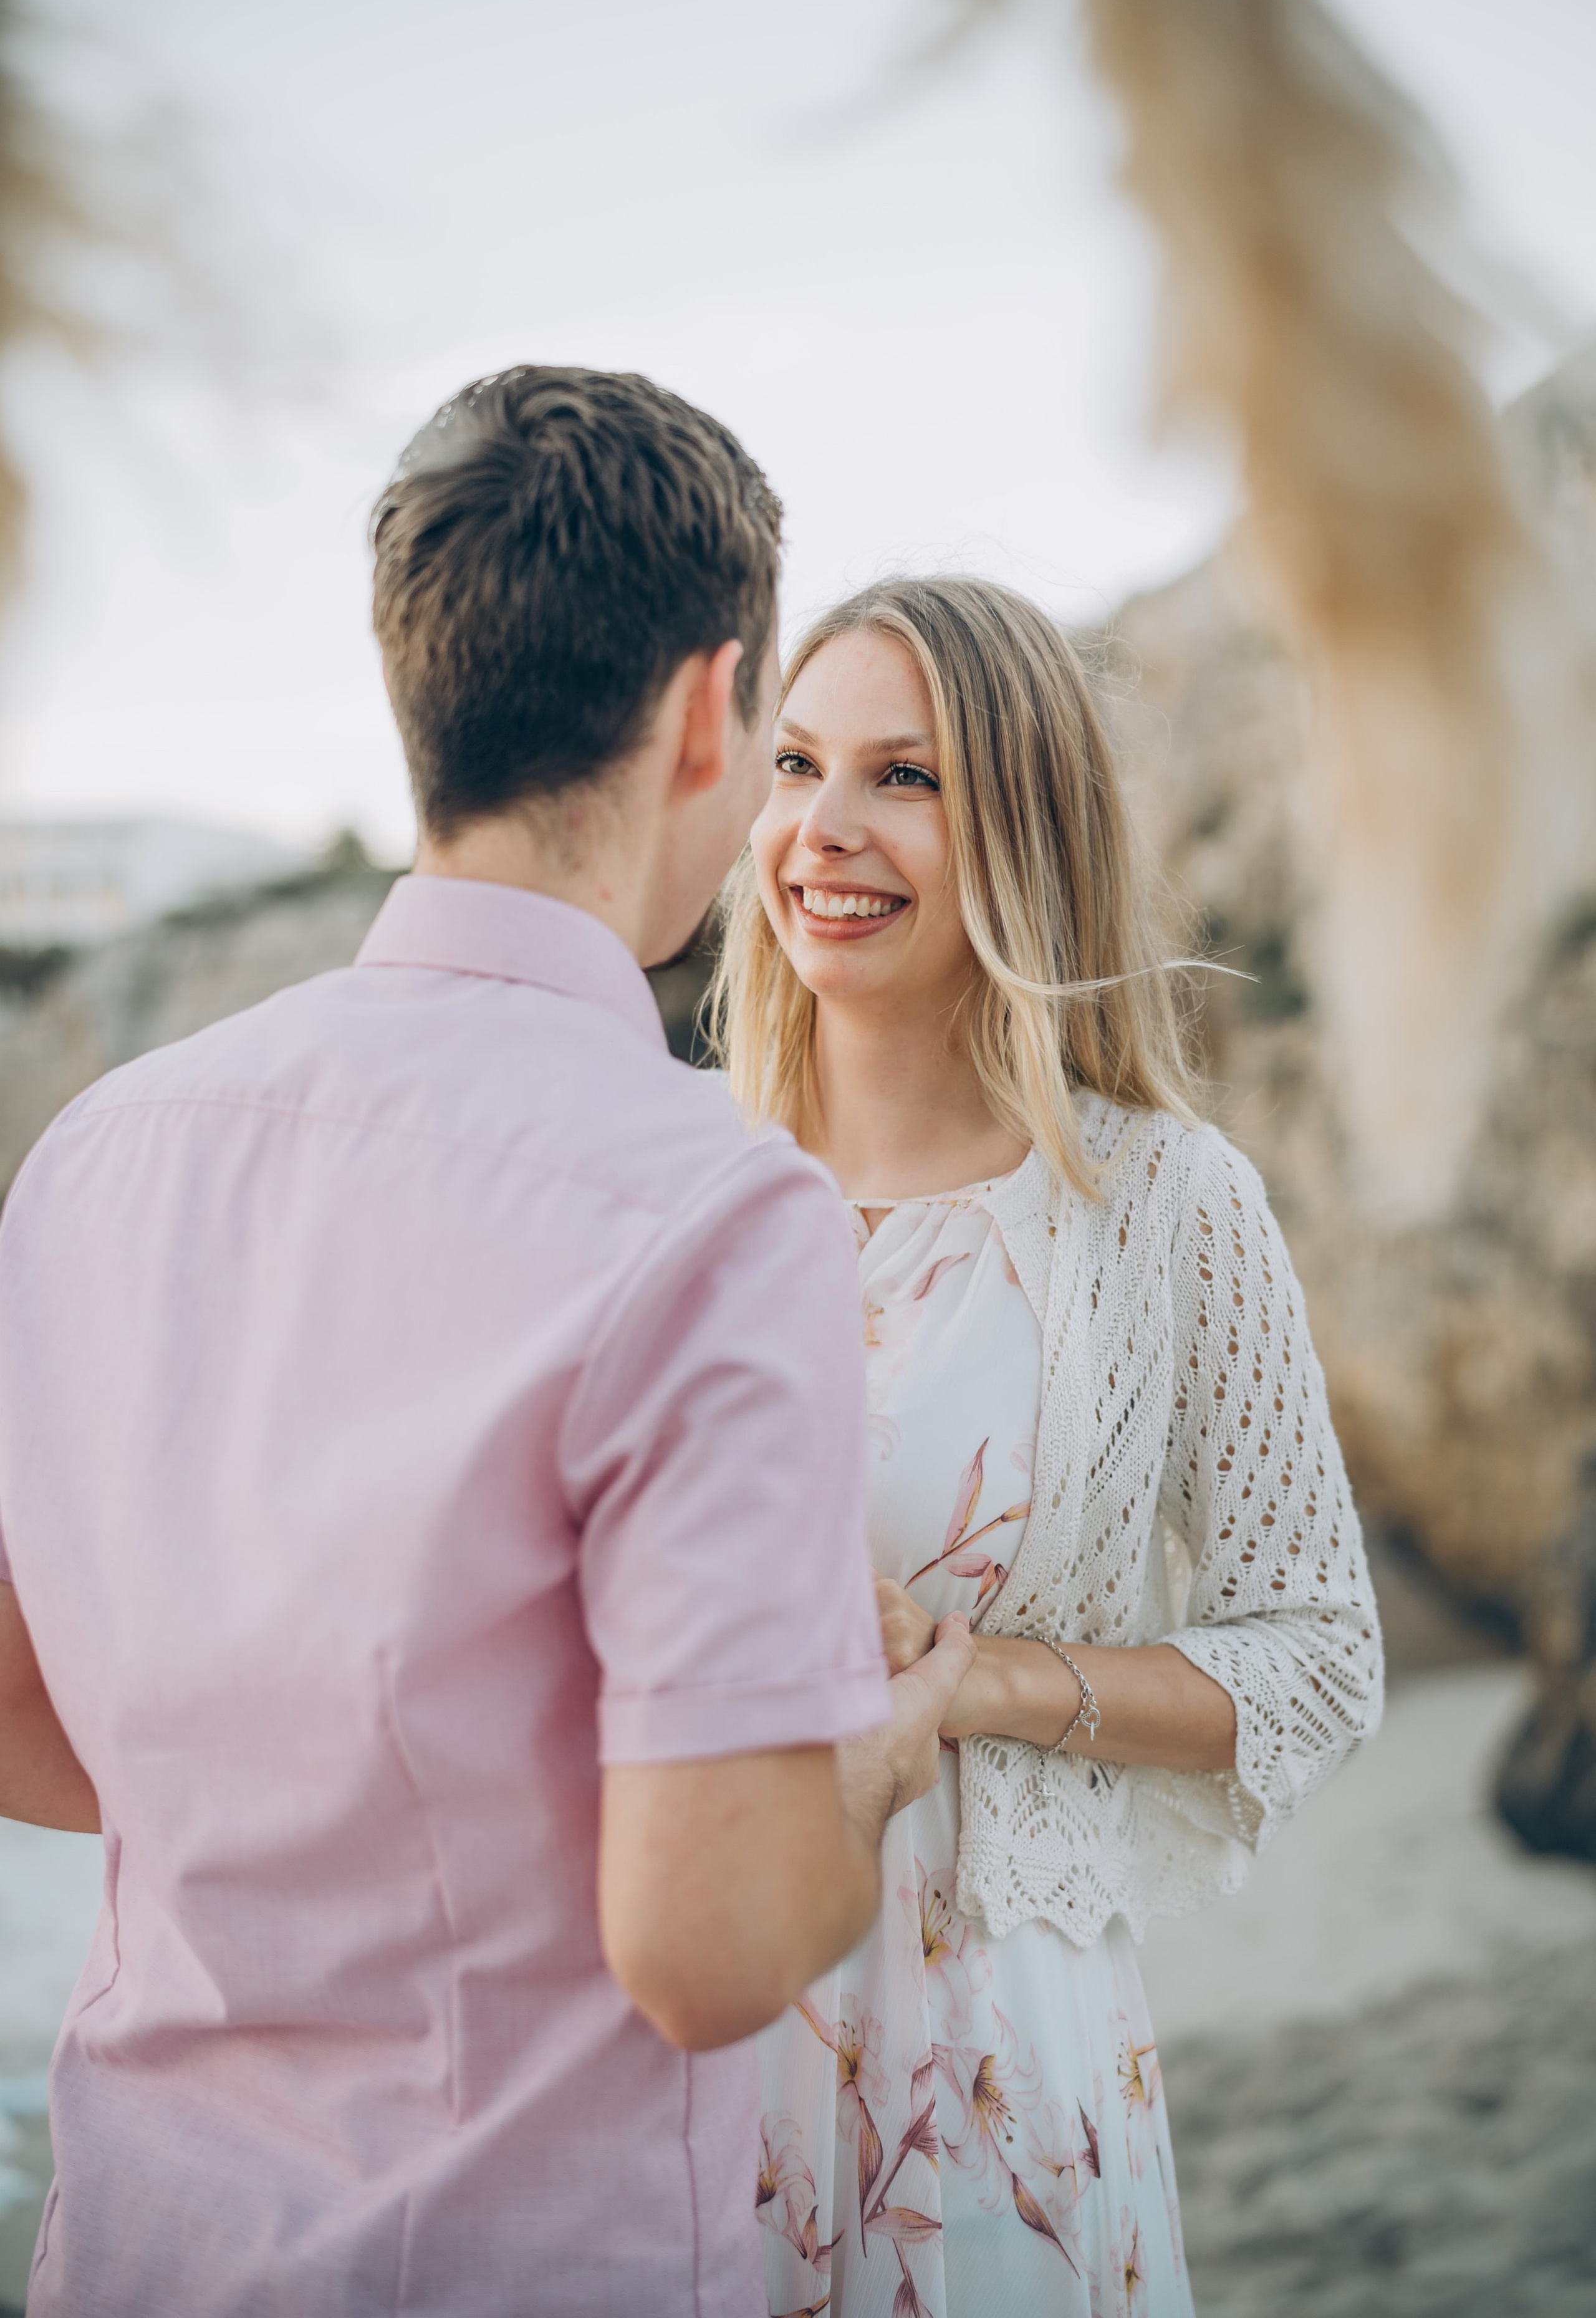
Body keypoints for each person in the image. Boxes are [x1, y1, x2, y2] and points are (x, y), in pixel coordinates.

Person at [0, 370, 973, 2318]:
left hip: (130, 2248)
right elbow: (707, 1951)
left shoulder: (98, 1153)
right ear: (713, 707)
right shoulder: (713, 1203)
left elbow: (36, 1729)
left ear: (418, 689)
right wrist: (875, 1751)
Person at [709, 576, 1385, 2318]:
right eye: (794, 764)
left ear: (1023, 824)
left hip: (1007, 2066)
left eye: (905, 778)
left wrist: (985, 1686)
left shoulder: (1163, 1209)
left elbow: (1316, 1661)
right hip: (693, 2043)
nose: (825, 831)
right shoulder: (677, 1203)